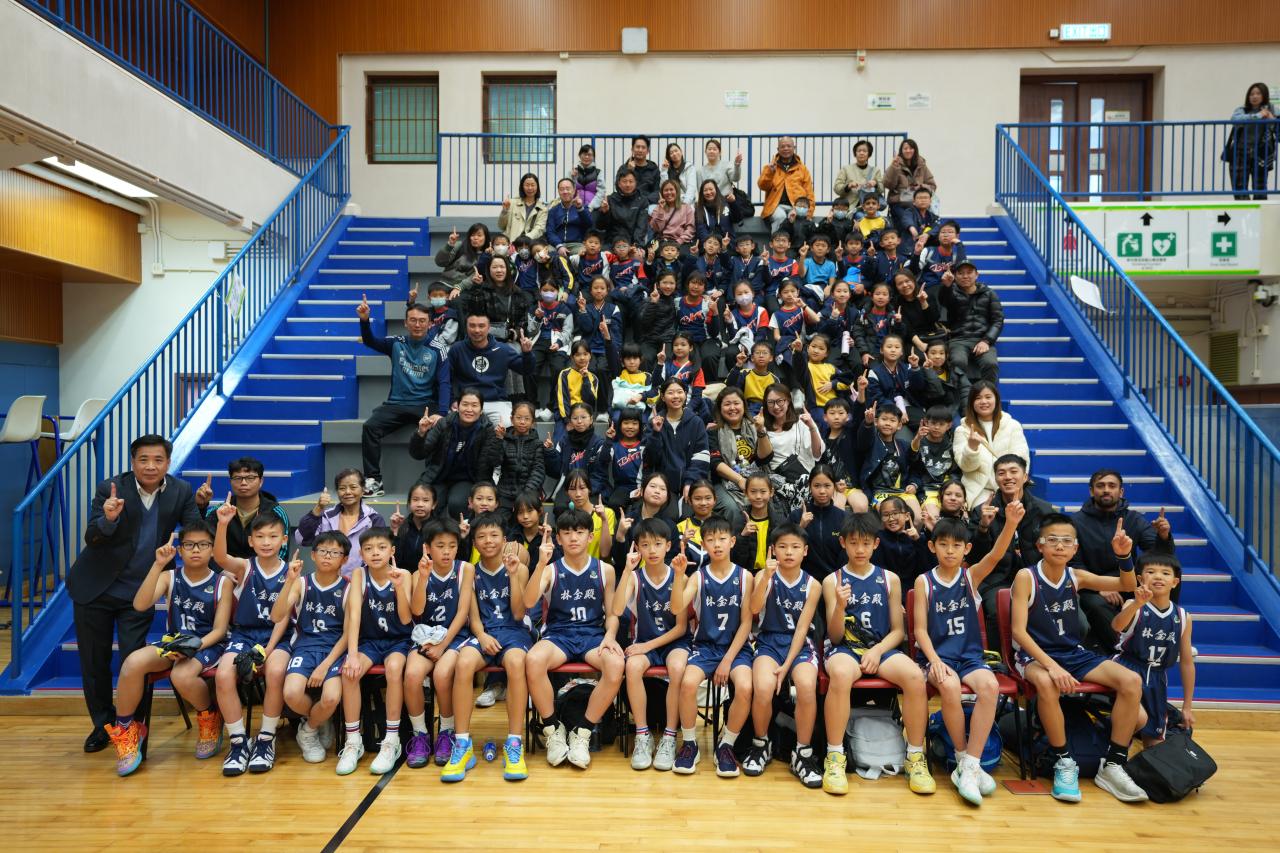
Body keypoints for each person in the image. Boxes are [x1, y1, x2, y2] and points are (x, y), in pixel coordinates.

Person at [67, 434, 204, 753]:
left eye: (158, 459)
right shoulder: (111, 488)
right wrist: (108, 519)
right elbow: (92, 537)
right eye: (143, 459)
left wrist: (201, 508)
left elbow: (195, 532)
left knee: (136, 660)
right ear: (133, 462)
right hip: (96, 588)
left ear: (168, 463)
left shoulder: (181, 490)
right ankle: (103, 725)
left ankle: (133, 727)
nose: (150, 466)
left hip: (140, 592)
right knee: (94, 662)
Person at [1011, 513, 1149, 803]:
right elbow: (1018, 632)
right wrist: (1052, 666)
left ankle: (1113, 764)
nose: (1060, 546)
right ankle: (1064, 761)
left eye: (1066, 541)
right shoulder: (1026, 577)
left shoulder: (1076, 576)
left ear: (1075, 548)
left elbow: (1126, 585)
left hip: (1072, 652)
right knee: (1046, 683)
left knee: (1131, 681)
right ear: (1040, 545)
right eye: (1052, 540)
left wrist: (1124, 556)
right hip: (1034, 656)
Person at [912, 504, 1025, 804]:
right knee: (949, 686)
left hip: (969, 657)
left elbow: (996, 555)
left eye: (956, 545)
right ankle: (962, 758)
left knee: (989, 686)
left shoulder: (970, 577)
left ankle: (971, 764)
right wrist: (934, 661)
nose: (950, 551)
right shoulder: (924, 581)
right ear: (932, 547)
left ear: (967, 549)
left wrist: (1011, 523)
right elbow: (920, 630)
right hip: (938, 657)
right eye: (943, 544)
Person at [103, 522, 233, 776]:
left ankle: (209, 716)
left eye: (203, 544)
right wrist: (157, 565)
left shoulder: (222, 582)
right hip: (174, 642)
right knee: (132, 663)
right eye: (189, 544)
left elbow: (219, 631)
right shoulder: (169, 576)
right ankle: (128, 729)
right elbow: (140, 605)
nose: (196, 549)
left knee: (181, 675)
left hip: (208, 643)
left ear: (211, 550)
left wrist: (191, 648)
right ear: (180, 550)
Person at [819, 512, 933, 796]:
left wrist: (878, 650)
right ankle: (835, 756)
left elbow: (898, 631)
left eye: (866, 543)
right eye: (854, 543)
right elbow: (834, 635)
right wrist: (840, 607)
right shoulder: (832, 580)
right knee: (841, 674)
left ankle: (915, 757)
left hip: (882, 647)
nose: (860, 549)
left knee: (915, 677)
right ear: (843, 543)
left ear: (876, 544)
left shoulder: (889, 579)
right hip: (845, 648)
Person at [523, 507, 625, 770]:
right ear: (558, 539)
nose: (573, 538)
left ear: (590, 536)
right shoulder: (551, 569)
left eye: (579, 532)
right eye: (567, 533)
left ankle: (583, 732)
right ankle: (553, 730)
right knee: (533, 660)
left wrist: (611, 635)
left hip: (593, 635)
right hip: (559, 636)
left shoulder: (605, 570)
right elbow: (529, 601)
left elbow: (613, 613)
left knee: (616, 665)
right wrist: (540, 564)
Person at [449, 512, 533, 781]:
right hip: (484, 632)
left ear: (504, 539)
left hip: (514, 631)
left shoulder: (520, 568)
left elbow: (519, 613)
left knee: (516, 663)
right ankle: (462, 744)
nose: (488, 541)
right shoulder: (470, 572)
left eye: (494, 535)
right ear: (474, 542)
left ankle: (514, 742)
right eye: (481, 536)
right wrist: (482, 636)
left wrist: (512, 575)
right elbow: (472, 616)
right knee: (463, 663)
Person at [211, 506, 292, 776]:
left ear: (284, 539)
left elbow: (284, 618)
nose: (266, 542)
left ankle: (266, 739)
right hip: (245, 634)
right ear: (250, 541)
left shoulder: (291, 573)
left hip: (277, 637)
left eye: (273, 536)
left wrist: (269, 649)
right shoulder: (245, 567)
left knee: (276, 671)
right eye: (260, 536)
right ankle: (238, 742)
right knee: (223, 675)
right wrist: (223, 524)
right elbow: (220, 557)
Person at [672, 515, 755, 777]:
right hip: (705, 646)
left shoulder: (745, 577)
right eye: (710, 539)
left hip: (736, 649)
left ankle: (726, 745)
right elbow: (676, 608)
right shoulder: (698, 577)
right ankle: (690, 744)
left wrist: (728, 660)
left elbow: (746, 623)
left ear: (732, 541)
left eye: (722, 539)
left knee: (745, 687)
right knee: (687, 683)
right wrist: (679, 576)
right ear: (703, 544)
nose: (717, 544)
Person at [745, 523, 823, 786]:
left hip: (799, 645)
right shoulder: (763, 575)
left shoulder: (813, 584)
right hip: (768, 641)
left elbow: (802, 629)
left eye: (795, 547)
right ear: (773, 549)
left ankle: (803, 752)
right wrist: (766, 578)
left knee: (806, 686)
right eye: (783, 547)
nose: (789, 552)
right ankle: (761, 743)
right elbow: (753, 609)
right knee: (763, 688)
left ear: (805, 551)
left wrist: (787, 665)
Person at [613, 518, 692, 772]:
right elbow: (616, 610)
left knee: (678, 668)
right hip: (644, 641)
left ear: (668, 545)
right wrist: (626, 570)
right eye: (645, 545)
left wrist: (647, 646)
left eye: (658, 544)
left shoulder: (680, 576)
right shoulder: (635, 578)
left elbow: (680, 628)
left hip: (674, 642)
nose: (652, 550)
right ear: (637, 547)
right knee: (632, 667)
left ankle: (669, 736)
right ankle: (642, 734)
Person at [335, 527, 413, 775]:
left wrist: (399, 588)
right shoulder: (359, 574)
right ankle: (353, 742)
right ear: (361, 554)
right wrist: (352, 655)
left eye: (381, 548)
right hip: (370, 641)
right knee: (349, 672)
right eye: (368, 549)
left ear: (392, 550)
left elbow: (406, 619)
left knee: (394, 669)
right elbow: (354, 616)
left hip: (399, 640)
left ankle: (391, 740)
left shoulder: (404, 574)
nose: (375, 553)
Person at [1071, 469, 1176, 649]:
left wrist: (1163, 536)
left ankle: (1167, 636)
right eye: (1100, 486)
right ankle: (1126, 648)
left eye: (1112, 486)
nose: (1106, 490)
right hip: (1092, 585)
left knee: (1167, 577)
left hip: (1128, 582)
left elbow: (1160, 556)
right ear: (1091, 491)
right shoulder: (1076, 522)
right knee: (1095, 604)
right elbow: (1074, 563)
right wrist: (1101, 587)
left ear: (1120, 492)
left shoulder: (1134, 519)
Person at [405, 519, 474, 777]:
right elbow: (417, 611)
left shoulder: (465, 569)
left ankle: (446, 731)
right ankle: (420, 735)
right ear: (428, 548)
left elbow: (463, 612)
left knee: (443, 675)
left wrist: (444, 645)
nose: (446, 551)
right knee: (412, 675)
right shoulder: (417, 573)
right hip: (426, 636)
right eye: (440, 546)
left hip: (454, 637)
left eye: (452, 546)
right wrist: (423, 579)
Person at [273, 530, 349, 764]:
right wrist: (288, 581)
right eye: (323, 551)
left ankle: (308, 730)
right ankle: (319, 719)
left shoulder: (349, 587)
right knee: (291, 694)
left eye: (334, 552)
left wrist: (325, 666)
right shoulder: (301, 583)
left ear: (344, 559)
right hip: (305, 647)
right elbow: (276, 616)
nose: (327, 556)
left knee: (331, 698)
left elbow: (349, 634)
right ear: (313, 555)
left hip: (335, 650)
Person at [356, 295, 442, 496]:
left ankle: (434, 481)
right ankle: (374, 480)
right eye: (413, 320)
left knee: (441, 428)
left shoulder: (437, 348)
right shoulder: (396, 343)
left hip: (425, 405)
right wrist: (364, 320)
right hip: (395, 404)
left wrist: (443, 411)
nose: (417, 325)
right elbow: (370, 341)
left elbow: (444, 383)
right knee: (370, 427)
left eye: (422, 321)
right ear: (405, 323)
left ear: (430, 324)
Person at [1111, 554, 1196, 746]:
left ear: (1174, 582)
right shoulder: (1133, 606)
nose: (1158, 576)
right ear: (1140, 579)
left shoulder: (1183, 617)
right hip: (1127, 670)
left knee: (1155, 745)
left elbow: (1187, 663)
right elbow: (1116, 626)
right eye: (1151, 572)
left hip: (1157, 679)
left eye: (1165, 573)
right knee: (1136, 719)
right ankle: (1113, 753)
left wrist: (1187, 706)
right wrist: (1136, 603)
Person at [409, 387, 503, 518]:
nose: (469, 409)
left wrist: (498, 440)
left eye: (474, 405)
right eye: (465, 404)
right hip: (438, 475)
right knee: (424, 502)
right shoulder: (444, 424)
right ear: (457, 407)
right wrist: (421, 433)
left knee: (457, 503)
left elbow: (494, 462)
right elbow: (418, 454)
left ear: (481, 410)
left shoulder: (487, 429)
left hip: (468, 478)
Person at [440, 313, 535, 428]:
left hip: (495, 402)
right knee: (450, 426)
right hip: (467, 401)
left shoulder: (503, 349)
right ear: (466, 327)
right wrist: (452, 400)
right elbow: (445, 379)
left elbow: (526, 370)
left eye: (481, 326)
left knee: (507, 425)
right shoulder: (457, 349)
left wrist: (527, 353)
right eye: (472, 326)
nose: (476, 330)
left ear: (489, 327)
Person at [295, 468, 387, 578]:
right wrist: (318, 508)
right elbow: (301, 539)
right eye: (342, 488)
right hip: (328, 581)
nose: (347, 492)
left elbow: (380, 554)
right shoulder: (326, 516)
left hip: (362, 582)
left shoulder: (374, 519)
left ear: (363, 490)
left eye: (353, 487)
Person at [194, 457, 290, 558]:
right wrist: (200, 506)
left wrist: (255, 568)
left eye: (250, 478)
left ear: (261, 481)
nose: (243, 482)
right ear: (230, 481)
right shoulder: (220, 511)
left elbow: (282, 550)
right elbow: (199, 539)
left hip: (263, 567)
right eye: (237, 478)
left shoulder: (276, 512)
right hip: (223, 567)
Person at [953, 382, 1029, 507]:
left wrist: (1012, 486)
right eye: (978, 398)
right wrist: (972, 447)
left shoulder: (1012, 425)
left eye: (988, 397)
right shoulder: (962, 430)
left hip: (1010, 488)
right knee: (985, 513)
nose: (983, 401)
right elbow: (966, 467)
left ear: (996, 399)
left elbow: (1022, 460)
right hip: (979, 491)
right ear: (971, 402)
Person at [940, 260, 1003, 401]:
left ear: (977, 275)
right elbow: (944, 301)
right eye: (961, 273)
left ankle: (988, 397)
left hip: (982, 339)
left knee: (990, 364)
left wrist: (987, 341)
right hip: (958, 339)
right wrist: (946, 287)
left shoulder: (989, 293)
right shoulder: (951, 292)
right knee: (958, 362)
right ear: (955, 276)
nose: (965, 276)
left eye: (969, 273)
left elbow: (998, 320)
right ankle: (960, 400)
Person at [708, 386, 773, 516]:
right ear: (720, 408)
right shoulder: (713, 431)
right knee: (733, 508)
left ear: (744, 405)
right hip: (725, 482)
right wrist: (740, 480)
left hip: (758, 478)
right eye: (727, 404)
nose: (732, 408)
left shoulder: (755, 426)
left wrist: (761, 430)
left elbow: (765, 458)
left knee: (772, 502)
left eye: (736, 403)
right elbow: (715, 463)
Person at [761, 383, 824, 516]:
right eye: (771, 402)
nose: (776, 407)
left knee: (807, 482)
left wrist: (812, 427)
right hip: (778, 478)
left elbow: (817, 453)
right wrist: (760, 431)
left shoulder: (802, 422)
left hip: (804, 474)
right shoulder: (762, 427)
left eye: (780, 401)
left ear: (788, 400)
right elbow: (762, 458)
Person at [648, 379, 711, 504]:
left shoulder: (696, 422)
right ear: (663, 397)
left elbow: (702, 457)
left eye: (679, 392)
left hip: (691, 485)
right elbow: (650, 459)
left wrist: (690, 482)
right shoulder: (654, 423)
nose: (676, 396)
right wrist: (656, 433)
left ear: (685, 394)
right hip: (662, 488)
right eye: (670, 393)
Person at [791, 465, 847, 579]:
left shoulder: (843, 517)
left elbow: (848, 553)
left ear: (834, 486)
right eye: (817, 486)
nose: (822, 491)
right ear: (809, 486)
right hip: (803, 579)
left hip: (835, 579)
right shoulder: (797, 516)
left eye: (827, 486)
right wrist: (800, 527)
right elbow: (786, 548)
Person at [1226, 83, 1276, 200]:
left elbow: (1277, 129)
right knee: (1239, 187)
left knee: (1260, 189)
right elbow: (1234, 119)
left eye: (1258, 93)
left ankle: (1260, 210)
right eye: (1251, 94)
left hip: (1261, 152)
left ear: (1264, 95)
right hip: (1240, 151)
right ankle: (1244, 210)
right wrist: (1258, 115)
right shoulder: (1242, 110)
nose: (1254, 96)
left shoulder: (1272, 110)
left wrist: (1272, 119)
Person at [496, 401, 546, 510]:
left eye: (527, 418)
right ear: (511, 419)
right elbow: (495, 462)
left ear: (533, 422)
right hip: (505, 493)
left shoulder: (537, 444)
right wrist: (499, 440)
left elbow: (538, 472)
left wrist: (525, 494)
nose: (522, 422)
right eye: (518, 418)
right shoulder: (504, 440)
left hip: (529, 494)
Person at [757, 136, 815, 230]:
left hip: (797, 207)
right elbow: (762, 186)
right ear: (778, 149)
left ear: (794, 148)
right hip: (775, 207)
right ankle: (777, 239)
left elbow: (809, 193)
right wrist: (770, 172)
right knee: (781, 217)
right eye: (782, 146)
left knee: (796, 219)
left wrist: (809, 213)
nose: (786, 148)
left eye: (789, 146)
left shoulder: (802, 169)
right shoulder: (770, 167)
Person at [883, 139, 937, 229]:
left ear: (915, 150)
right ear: (901, 150)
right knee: (907, 220)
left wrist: (921, 187)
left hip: (918, 203)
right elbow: (888, 185)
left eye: (911, 148)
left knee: (929, 220)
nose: (908, 151)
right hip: (899, 203)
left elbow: (932, 186)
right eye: (905, 148)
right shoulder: (896, 164)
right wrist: (894, 167)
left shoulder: (922, 165)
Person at [695, 139, 750, 222]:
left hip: (726, 202)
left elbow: (735, 178)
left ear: (719, 152)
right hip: (709, 205)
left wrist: (737, 165)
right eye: (709, 149)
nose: (711, 151)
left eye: (714, 149)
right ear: (705, 152)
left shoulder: (726, 165)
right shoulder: (700, 171)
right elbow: (700, 191)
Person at [595, 167, 650, 247]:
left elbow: (641, 227)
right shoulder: (610, 200)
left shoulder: (642, 201)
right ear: (619, 183)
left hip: (632, 243)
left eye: (631, 181)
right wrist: (604, 213)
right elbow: (600, 227)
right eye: (624, 181)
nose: (628, 185)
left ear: (636, 183)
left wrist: (637, 245)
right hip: (612, 243)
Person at [434, 223, 490, 295]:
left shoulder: (487, 255)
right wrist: (449, 245)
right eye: (472, 235)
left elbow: (477, 274)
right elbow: (439, 262)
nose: (475, 238)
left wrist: (459, 287)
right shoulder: (460, 245)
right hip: (445, 284)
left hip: (466, 289)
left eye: (479, 235)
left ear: (486, 237)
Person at [547, 177, 594, 252]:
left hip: (577, 244)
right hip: (557, 245)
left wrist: (579, 208)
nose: (565, 192)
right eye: (562, 189)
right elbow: (550, 232)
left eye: (568, 189)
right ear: (558, 191)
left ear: (574, 190)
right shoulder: (553, 211)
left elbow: (589, 224)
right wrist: (559, 246)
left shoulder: (583, 207)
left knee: (583, 253)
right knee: (547, 252)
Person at [833, 139, 884, 208]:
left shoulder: (875, 170)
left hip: (870, 208)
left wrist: (876, 184)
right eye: (859, 151)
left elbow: (882, 189)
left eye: (864, 151)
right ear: (855, 153)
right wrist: (848, 186)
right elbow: (836, 188)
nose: (861, 153)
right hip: (851, 208)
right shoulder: (846, 169)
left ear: (869, 154)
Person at [498, 173, 548, 241]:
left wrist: (524, 239)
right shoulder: (512, 203)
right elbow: (501, 226)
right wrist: (505, 211)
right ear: (522, 187)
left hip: (530, 243)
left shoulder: (542, 209)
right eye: (527, 185)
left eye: (533, 185)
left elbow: (539, 229)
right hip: (511, 243)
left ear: (537, 187)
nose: (530, 188)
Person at [618, 135, 661, 206]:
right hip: (628, 204)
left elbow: (657, 191)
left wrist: (644, 201)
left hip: (648, 203)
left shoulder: (653, 168)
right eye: (637, 147)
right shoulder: (624, 168)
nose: (640, 150)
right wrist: (629, 171)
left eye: (643, 147)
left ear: (648, 151)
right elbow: (618, 188)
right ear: (632, 149)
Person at [693, 180, 733, 247]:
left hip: (727, 244)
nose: (708, 192)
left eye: (711, 189)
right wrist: (711, 244)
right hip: (708, 246)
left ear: (716, 190)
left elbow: (737, 218)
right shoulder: (699, 208)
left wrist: (733, 203)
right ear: (702, 193)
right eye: (705, 190)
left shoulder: (725, 203)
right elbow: (701, 229)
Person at [570, 143, 607, 209]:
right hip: (575, 207)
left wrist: (591, 206)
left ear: (593, 157)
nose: (587, 157)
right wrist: (573, 178)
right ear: (579, 155)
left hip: (593, 209)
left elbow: (601, 191)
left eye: (589, 155)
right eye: (584, 154)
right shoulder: (573, 172)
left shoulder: (598, 172)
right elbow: (568, 190)